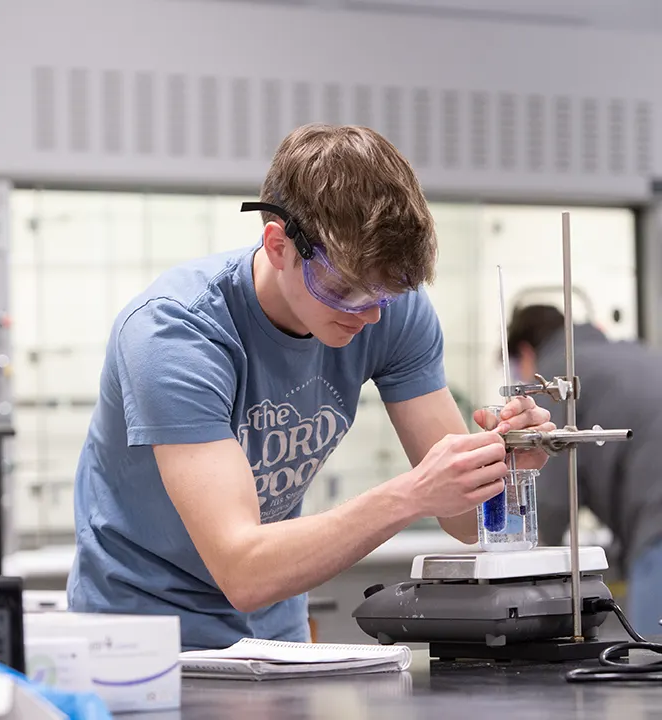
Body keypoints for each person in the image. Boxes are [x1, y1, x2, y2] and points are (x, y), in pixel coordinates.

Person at [67, 124, 552, 650]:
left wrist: (497, 469)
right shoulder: (177, 333)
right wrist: (410, 494)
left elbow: (462, 521)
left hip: (275, 638)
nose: (367, 315)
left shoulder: (391, 312)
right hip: (144, 636)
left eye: (385, 292)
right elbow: (244, 570)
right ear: (278, 245)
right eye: (341, 288)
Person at [507, 303, 662, 635]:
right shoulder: (629, 353)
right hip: (651, 516)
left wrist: (522, 565)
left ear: (525, 353)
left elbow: (549, 497)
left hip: (659, 525)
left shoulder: (558, 376)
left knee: (653, 666)